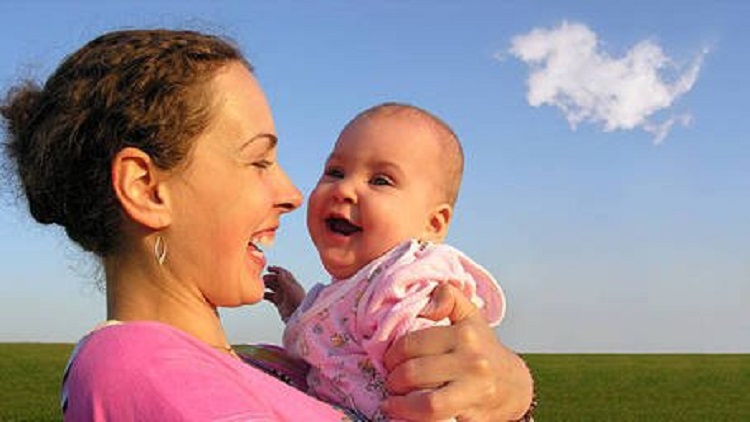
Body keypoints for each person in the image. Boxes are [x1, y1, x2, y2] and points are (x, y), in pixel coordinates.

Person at [1, 29, 534, 421]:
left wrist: (511, 396)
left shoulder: (266, 365)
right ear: (146, 188)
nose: (292, 194)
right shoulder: (133, 367)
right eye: (258, 161)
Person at [264, 103, 507, 421]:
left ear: (433, 224)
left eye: (381, 180)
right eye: (335, 172)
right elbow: (334, 342)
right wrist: (297, 309)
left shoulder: (406, 286)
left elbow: (434, 392)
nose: (344, 188)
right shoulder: (359, 285)